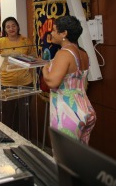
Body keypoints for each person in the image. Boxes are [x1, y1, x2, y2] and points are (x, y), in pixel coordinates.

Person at [42, 16, 96, 144]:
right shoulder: (83, 53)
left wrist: (45, 68)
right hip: (85, 108)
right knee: (79, 157)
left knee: (64, 158)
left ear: (64, 33)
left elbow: (52, 82)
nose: (51, 33)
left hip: (68, 112)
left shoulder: (64, 53)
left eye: (55, 30)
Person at [0, 16, 34, 136]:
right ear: (4, 29)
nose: (11, 29)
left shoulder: (26, 41)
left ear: (18, 27)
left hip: (25, 82)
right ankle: (8, 137)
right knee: (7, 114)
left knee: (24, 114)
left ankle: (25, 140)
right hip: (6, 82)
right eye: (8, 27)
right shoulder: (0, 42)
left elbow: (32, 58)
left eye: (13, 26)